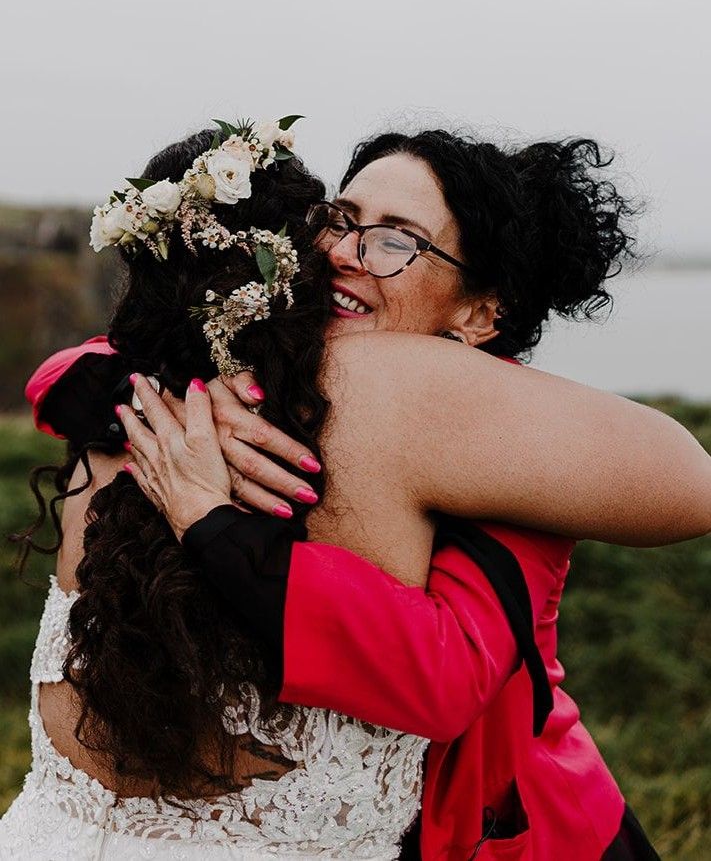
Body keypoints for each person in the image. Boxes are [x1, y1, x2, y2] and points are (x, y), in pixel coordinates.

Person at [11, 124, 709, 859]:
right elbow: (68, 371)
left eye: (396, 239)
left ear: (479, 313)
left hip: (514, 829)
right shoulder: (261, 368)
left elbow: (443, 677)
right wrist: (148, 392)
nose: (343, 251)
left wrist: (214, 525)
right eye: (340, 220)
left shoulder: (501, 448)